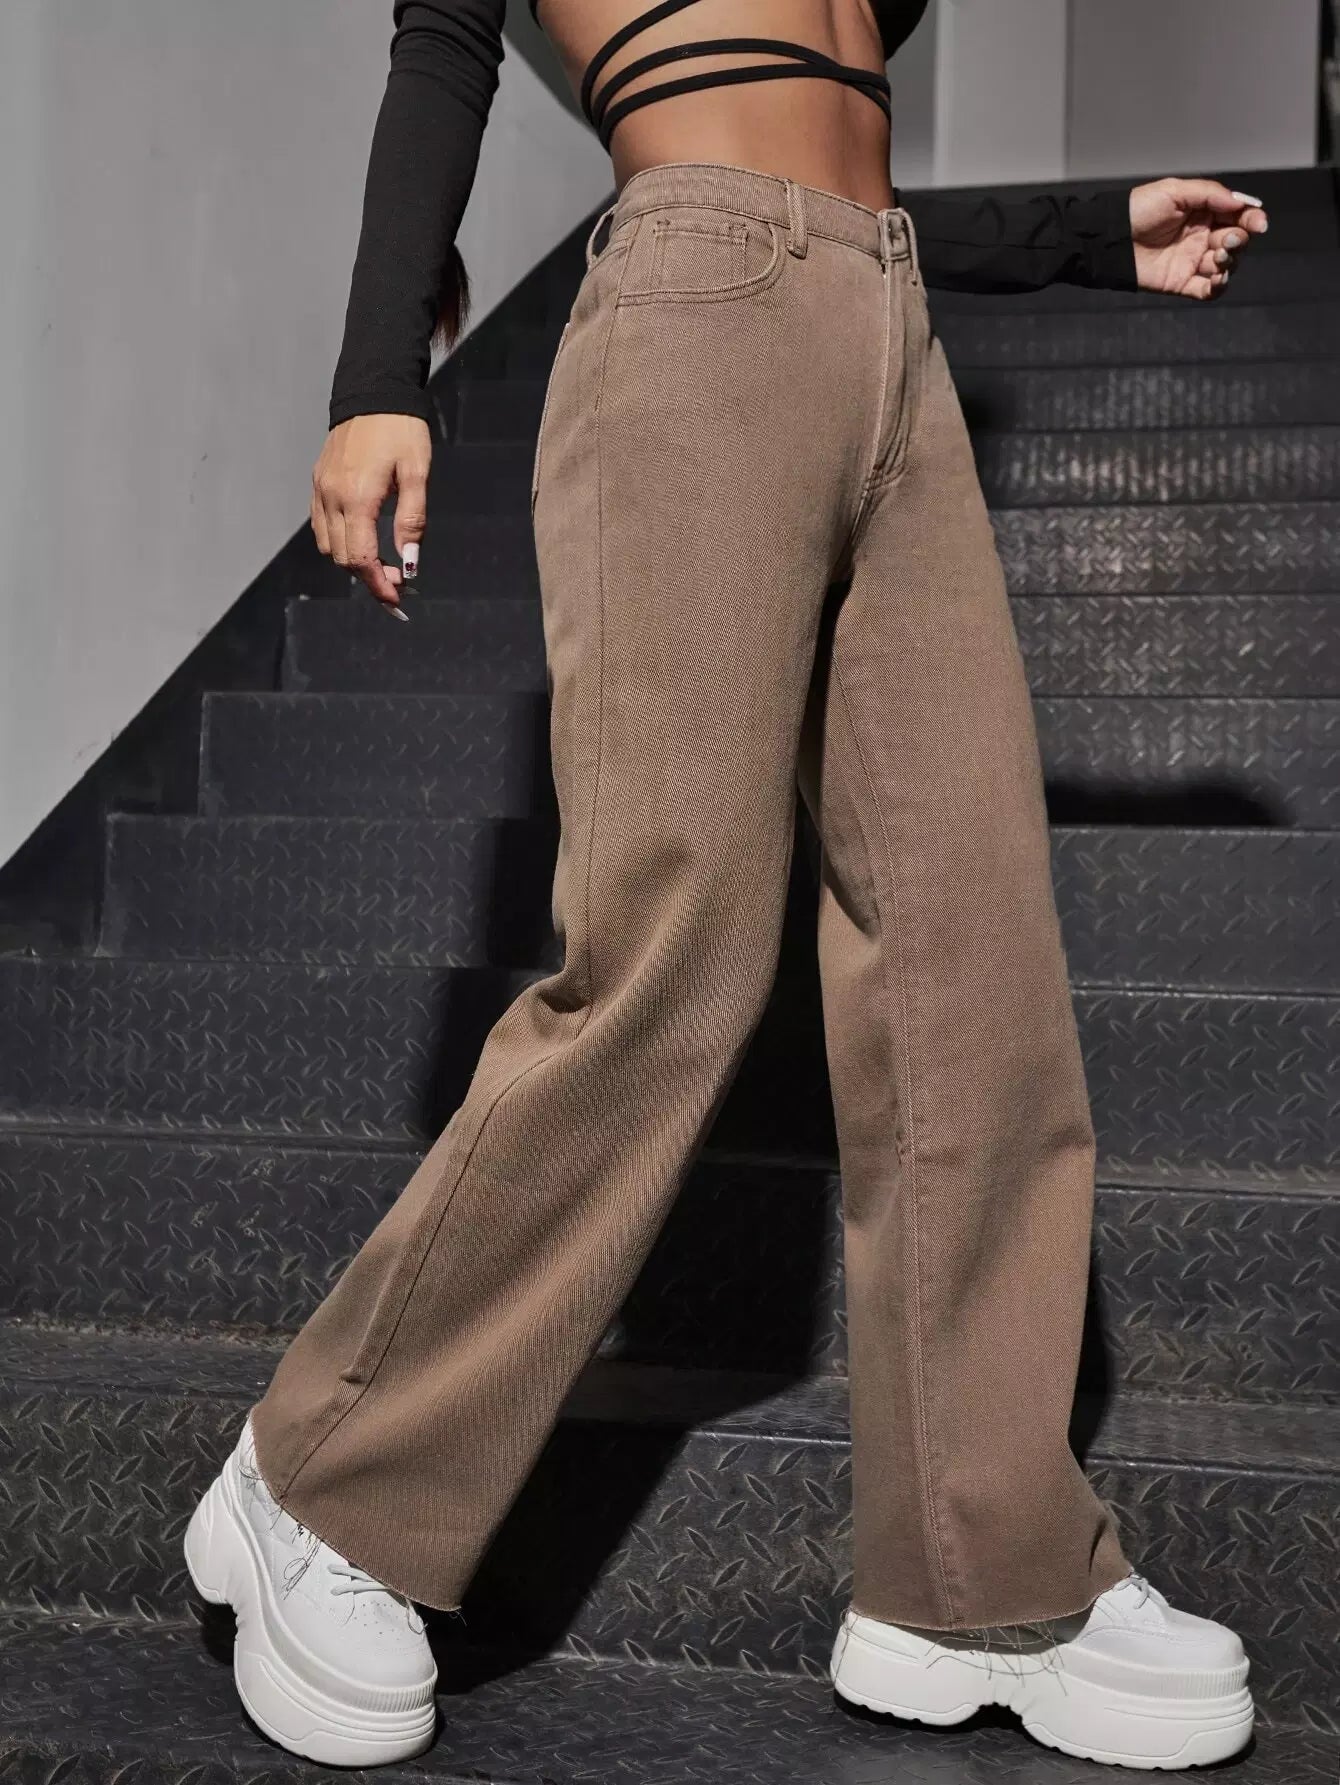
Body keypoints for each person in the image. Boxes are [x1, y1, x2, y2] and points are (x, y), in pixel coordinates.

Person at [183, 0, 1268, 1769]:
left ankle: (978, 1577)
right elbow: (449, 34)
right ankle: (324, 1485)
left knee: (971, 963)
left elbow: (828, 118)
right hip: (697, 307)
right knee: (676, 951)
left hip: (890, 324)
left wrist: (1081, 229)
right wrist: (377, 374)